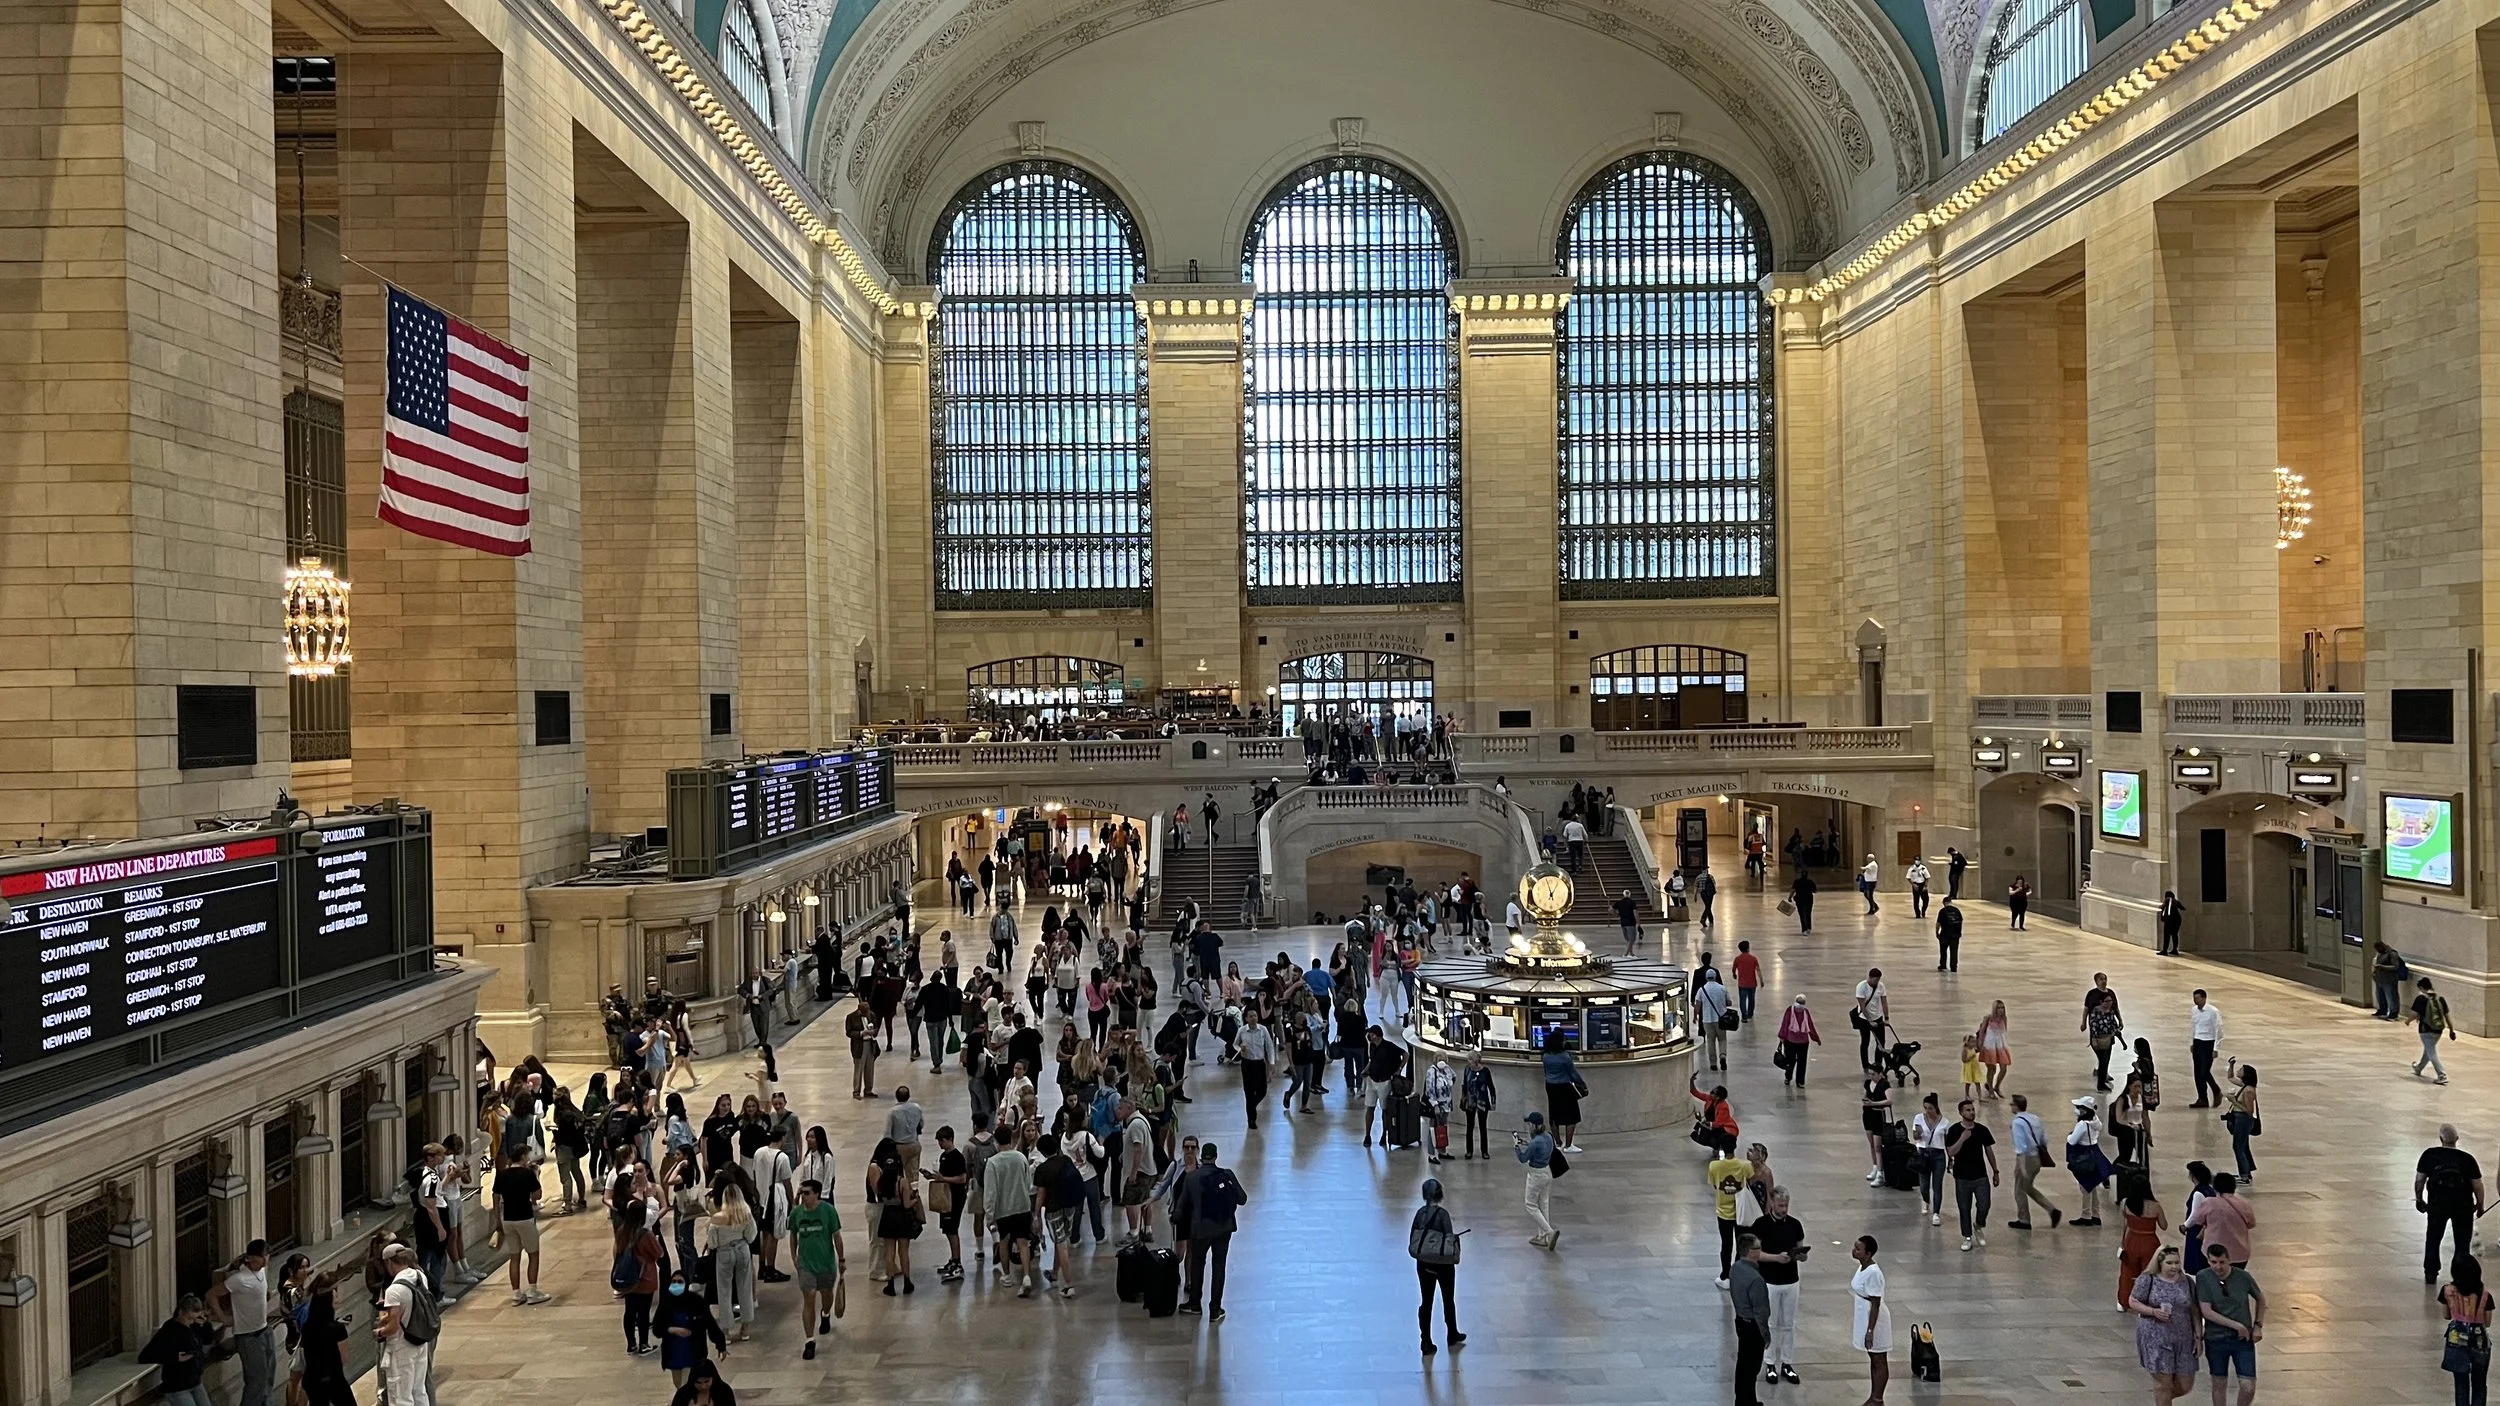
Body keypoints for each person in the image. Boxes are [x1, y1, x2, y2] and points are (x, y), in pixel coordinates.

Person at [1175, 1141, 1247, 1319]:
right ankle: (1215, 1309)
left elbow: (1181, 1207)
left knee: (1197, 1264)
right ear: (1215, 1157)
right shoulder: (1227, 1174)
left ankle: (1194, 1304)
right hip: (1224, 1227)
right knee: (1219, 1266)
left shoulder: (1191, 1178)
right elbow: (1242, 1198)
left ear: (1201, 1157)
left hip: (1200, 1229)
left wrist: (1175, 1218)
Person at [2127, 1245, 2202, 1406]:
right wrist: (2153, 1311)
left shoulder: (2187, 1282)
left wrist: (2198, 1337)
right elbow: (2133, 1301)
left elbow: (2195, 1310)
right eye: (2169, 1263)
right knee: (2163, 1384)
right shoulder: (2148, 1279)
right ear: (2160, 1263)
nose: (2174, 1267)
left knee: (2185, 1385)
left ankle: (2162, 1400)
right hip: (2156, 1337)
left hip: (2183, 1338)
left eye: (2176, 1262)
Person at [2193, 1243, 2264, 1406]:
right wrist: (2236, 1325)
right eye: (2213, 1262)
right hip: (2216, 1338)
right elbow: (2206, 1311)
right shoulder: (2204, 1277)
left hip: (2242, 1340)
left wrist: (2258, 1324)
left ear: (2229, 1260)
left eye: (2222, 1262)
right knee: (2219, 1382)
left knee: (2248, 1386)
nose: (2218, 1267)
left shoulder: (2243, 1277)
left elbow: (2260, 1298)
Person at [1749, 1188, 1807, 1384]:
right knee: (1771, 1323)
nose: (1783, 1209)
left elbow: (1800, 1247)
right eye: (1780, 1205)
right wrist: (1776, 1258)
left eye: (1786, 1206)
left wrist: (1801, 1255)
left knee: (1789, 1324)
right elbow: (1755, 1254)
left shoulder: (1795, 1225)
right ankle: (1770, 1363)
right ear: (1772, 1203)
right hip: (1770, 1281)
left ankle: (1788, 1363)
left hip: (1791, 1280)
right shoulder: (1761, 1225)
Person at [210, 1240, 276, 1406]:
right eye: (263, 1256)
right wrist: (223, 1317)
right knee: (256, 1381)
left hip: (264, 1330)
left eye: (267, 1256)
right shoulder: (239, 1279)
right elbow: (211, 1294)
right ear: (252, 1258)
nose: (267, 1260)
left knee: (268, 1376)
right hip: (248, 1337)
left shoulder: (260, 1273)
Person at [2420, 1125, 2489, 1283]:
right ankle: (2461, 1274)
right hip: (2463, 1207)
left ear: (2440, 1139)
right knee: (2462, 1243)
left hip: (2437, 1206)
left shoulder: (2430, 1155)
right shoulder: (2467, 1159)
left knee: (2433, 1238)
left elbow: (2420, 1180)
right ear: (2457, 1140)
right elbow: (2477, 1185)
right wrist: (2480, 1205)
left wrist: (2419, 1199)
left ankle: (2431, 1272)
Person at [787, 1179, 845, 1361]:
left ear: (817, 1194)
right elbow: (793, 1236)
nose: (803, 1196)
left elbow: (836, 1236)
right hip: (806, 1265)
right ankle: (809, 1340)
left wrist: (841, 1259)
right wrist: (794, 1257)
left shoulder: (828, 1212)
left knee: (827, 1295)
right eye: (801, 1193)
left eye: (807, 1193)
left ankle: (825, 1313)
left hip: (826, 1264)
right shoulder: (796, 1213)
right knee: (809, 1297)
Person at [981, 1115, 1038, 1296]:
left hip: (1003, 1210)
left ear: (996, 1141)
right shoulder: (1021, 1157)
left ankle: (1007, 1275)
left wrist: (989, 1216)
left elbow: (990, 1192)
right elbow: (1028, 1183)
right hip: (1022, 1206)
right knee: (1023, 1243)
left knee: (1004, 1243)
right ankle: (1027, 1275)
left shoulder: (993, 1163)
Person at [1409, 1178, 1466, 1353]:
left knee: (1426, 1301)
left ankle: (1425, 1340)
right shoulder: (1443, 1215)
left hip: (1424, 1263)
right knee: (1448, 1299)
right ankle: (1452, 1334)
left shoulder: (1419, 1214)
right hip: (1443, 1265)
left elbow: (1413, 1237)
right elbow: (1448, 1240)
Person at [374, 1244, 435, 1406]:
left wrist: (379, 1332)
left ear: (389, 1263)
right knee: (419, 1391)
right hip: (420, 1341)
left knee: (401, 1396)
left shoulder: (394, 1290)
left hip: (401, 1346)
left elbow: (393, 1327)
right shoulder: (420, 1276)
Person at [654, 1265, 728, 1387]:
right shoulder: (666, 1302)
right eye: (673, 1282)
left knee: (687, 1385)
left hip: (693, 1351)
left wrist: (721, 1344)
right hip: (673, 1352)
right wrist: (672, 1330)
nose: (676, 1284)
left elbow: (710, 1323)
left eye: (680, 1282)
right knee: (679, 1385)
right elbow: (657, 1328)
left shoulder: (697, 1302)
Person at [138, 1294, 218, 1406]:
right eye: (189, 1318)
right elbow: (146, 1355)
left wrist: (205, 1324)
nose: (191, 1322)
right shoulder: (170, 1329)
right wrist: (176, 1357)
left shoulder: (194, 1326)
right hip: (177, 1386)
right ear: (181, 1312)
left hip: (195, 1382)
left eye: (194, 1318)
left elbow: (208, 1340)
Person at [493, 1150, 549, 1304]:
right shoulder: (528, 1174)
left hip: (508, 1219)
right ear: (523, 1157)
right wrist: (535, 1175)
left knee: (514, 1257)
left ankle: (516, 1293)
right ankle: (532, 1291)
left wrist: (497, 1219)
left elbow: (496, 1197)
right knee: (533, 1254)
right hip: (524, 1217)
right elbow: (537, 1196)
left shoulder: (502, 1174)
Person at [1947, 1098, 1999, 1251]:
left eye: (1972, 1110)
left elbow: (1989, 1150)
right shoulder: (1954, 1130)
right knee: (1964, 1207)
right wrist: (1962, 1139)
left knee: (1984, 1204)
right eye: (1968, 1110)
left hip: (1980, 1174)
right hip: (1962, 1176)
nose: (1971, 1112)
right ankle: (1967, 1236)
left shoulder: (1982, 1130)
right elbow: (1951, 1152)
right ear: (1961, 1113)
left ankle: (1979, 1224)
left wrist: (1995, 1171)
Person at [2005, 1093, 2063, 1230]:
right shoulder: (2034, 1118)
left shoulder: (2017, 1122)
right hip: (2036, 1157)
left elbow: (2021, 1147)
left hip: (2026, 1159)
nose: (2010, 1106)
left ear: (2016, 1106)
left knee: (2019, 1190)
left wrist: (2022, 1167)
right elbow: (2044, 1139)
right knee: (2028, 1188)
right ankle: (2052, 1210)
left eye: (2012, 1104)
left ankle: (2024, 1220)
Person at [2445, 1254, 2494, 1406]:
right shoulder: (2485, 1295)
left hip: (2456, 1342)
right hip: (2479, 1343)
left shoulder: (2447, 1291)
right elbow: (2487, 1322)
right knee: (2479, 1384)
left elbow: (2447, 1315)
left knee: (2460, 1383)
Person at [2117, 1168, 2169, 1313]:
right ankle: (2148, 1302)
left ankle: (2123, 1301)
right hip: (2149, 1241)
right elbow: (2164, 1226)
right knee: (2150, 1272)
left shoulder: (2125, 1203)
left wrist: (2123, 1243)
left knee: (2127, 1272)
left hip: (2132, 1239)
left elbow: (2125, 1224)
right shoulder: (2155, 1206)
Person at [1850, 1236, 1893, 1405]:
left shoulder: (1874, 1273)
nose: (1854, 1251)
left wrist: (1870, 1331)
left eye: (1858, 1249)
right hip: (1864, 1316)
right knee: (1873, 1358)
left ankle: (1878, 1397)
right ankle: (1874, 1394)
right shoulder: (1862, 1267)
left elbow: (1875, 1304)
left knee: (1879, 1359)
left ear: (1868, 1254)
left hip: (1875, 1320)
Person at [1730, 1233, 1771, 1406]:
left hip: (1740, 1321)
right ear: (1750, 1252)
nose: (1761, 1251)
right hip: (1752, 1326)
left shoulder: (1736, 1268)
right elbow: (1761, 1311)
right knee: (1752, 1368)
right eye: (1758, 1248)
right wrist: (1765, 1334)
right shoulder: (1756, 1279)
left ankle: (1744, 1400)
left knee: (1742, 1365)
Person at [2185, 1172, 2255, 1271]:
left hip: (2214, 1253)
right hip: (2240, 1253)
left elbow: (2198, 1220)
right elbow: (2251, 1223)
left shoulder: (2209, 1203)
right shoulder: (2245, 1204)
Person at [1707, 1145, 1753, 1286]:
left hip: (1723, 1212)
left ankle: (1725, 1275)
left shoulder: (1714, 1166)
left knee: (1726, 1245)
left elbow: (1715, 1185)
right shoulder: (1745, 1166)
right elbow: (1750, 1181)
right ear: (1735, 1147)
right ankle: (1739, 1273)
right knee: (1742, 1245)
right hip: (1741, 1212)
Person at [1517, 1111, 1560, 1248]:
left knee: (1530, 1205)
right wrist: (1527, 1142)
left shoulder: (1535, 1142)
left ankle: (1549, 1232)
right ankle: (1542, 1237)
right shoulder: (1548, 1137)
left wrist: (1516, 1146)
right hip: (1547, 1172)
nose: (1528, 1126)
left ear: (1534, 1126)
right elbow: (1538, 1146)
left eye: (1529, 1124)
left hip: (1536, 1175)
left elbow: (1523, 1159)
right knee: (1544, 1204)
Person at [1910, 1093, 1951, 1227]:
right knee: (1924, 1185)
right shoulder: (1919, 1118)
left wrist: (1951, 1158)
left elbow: (1947, 1142)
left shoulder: (1944, 1123)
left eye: (1930, 1108)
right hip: (1923, 1154)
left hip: (1938, 1155)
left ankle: (1936, 1212)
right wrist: (1918, 1133)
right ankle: (1925, 1200)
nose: (1928, 1111)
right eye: (1926, 1108)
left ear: (1936, 1108)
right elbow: (1915, 1137)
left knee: (1937, 1185)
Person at [1542, 1038, 1586, 1153]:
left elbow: (1545, 1072)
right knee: (1572, 1116)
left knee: (1554, 1115)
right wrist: (1582, 1083)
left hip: (1550, 1086)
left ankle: (1558, 1143)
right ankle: (1568, 1145)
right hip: (1564, 1086)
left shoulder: (1545, 1056)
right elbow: (1572, 1073)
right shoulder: (1565, 1057)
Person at [2412, 976, 2459, 1084]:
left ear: (2421, 987)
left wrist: (2408, 1021)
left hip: (2425, 1030)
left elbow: (2414, 1014)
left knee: (2431, 1052)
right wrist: (2451, 1030)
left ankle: (2442, 1075)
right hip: (2438, 1030)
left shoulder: (2421, 998)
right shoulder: (2440, 999)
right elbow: (2447, 1017)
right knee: (2429, 1050)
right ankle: (2418, 1068)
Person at [1233, 1012, 1275, 1130]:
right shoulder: (1242, 1031)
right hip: (1247, 1064)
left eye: (1255, 1016)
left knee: (1262, 1090)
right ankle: (1251, 1119)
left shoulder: (1263, 1030)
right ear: (1246, 1018)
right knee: (1249, 1092)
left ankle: (1252, 1106)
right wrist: (1240, 1049)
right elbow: (1235, 1044)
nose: (1253, 1018)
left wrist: (1271, 1063)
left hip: (1259, 1063)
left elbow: (1269, 1046)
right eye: (1250, 1016)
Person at [2083, 973, 2125, 1091]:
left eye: (2105, 978)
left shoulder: (2111, 994)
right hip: (2098, 1034)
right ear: (2096, 981)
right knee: (2103, 1057)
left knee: (2106, 1056)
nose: (2104, 981)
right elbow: (2086, 1009)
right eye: (2101, 979)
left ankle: (2102, 1073)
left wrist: (2119, 1021)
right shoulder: (2092, 995)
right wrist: (2083, 1023)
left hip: (2109, 1033)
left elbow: (2115, 1009)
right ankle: (2102, 1077)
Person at [2222, 1065, 2259, 1184]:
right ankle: (2247, 1171)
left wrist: (2234, 1102)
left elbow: (2249, 1110)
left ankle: (2244, 1175)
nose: (2238, 1071)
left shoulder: (2248, 1090)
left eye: (2241, 1070)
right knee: (2243, 1146)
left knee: (2238, 1146)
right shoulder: (2245, 1086)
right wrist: (2231, 1065)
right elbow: (2230, 1077)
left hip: (2243, 1119)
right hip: (2240, 1119)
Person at [2188, 990, 2225, 1108]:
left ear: (2204, 998)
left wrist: (2216, 1048)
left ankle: (2216, 1090)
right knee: (2197, 1072)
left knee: (2204, 1071)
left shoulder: (2213, 1012)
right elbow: (2193, 1026)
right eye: (2194, 998)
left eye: (2198, 998)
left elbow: (2218, 1029)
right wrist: (2192, 1042)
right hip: (2198, 1041)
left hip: (2209, 1042)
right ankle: (2202, 1098)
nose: (2196, 1001)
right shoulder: (2194, 1010)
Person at [1776, 996, 1820, 1087]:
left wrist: (1782, 1036)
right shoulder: (1805, 1012)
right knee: (1802, 1062)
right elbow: (1810, 1026)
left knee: (1790, 1060)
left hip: (1790, 1041)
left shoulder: (1790, 1010)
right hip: (1802, 1042)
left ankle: (1788, 1078)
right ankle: (1800, 1081)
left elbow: (1785, 1023)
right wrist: (1816, 1038)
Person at [1460, 1051, 1497, 1159]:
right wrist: (1464, 1099)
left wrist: (1493, 1102)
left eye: (1470, 1060)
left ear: (1475, 1061)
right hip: (1470, 1102)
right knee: (1469, 1127)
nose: (1468, 1062)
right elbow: (1464, 1085)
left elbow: (1491, 1087)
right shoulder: (1467, 1069)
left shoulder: (1485, 1071)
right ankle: (1469, 1151)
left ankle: (1484, 1151)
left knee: (1483, 1127)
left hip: (1482, 1102)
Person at [1860, 1070, 1895, 1185]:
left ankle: (1880, 1171)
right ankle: (1875, 1166)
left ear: (1880, 1074)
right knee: (1871, 1143)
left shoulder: (1884, 1084)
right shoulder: (1867, 1083)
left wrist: (1873, 1103)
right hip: (1868, 1115)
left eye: (1874, 1074)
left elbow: (1889, 1100)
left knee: (1877, 1145)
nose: (1871, 1076)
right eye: (1870, 1074)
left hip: (1878, 1116)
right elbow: (1865, 1095)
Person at [1695, 968, 1733, 1072]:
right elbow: (1729, 1002)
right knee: (1722, 1039)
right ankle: (1723, 1056)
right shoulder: (1722, 988)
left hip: (1707, 1019)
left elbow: (1697, 1005)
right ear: (1715, 977)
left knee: (1710, 1040)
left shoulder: (1701, 990)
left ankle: (1713, 1064)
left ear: (1706, 978)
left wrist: (1695, 1016)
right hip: (1720, 1020)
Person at [1853, 969, 1888, 1071]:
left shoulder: (1881, 986)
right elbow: (1862, 1006)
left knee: (1881, 1042)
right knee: (1865, 1041)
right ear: (1870, 978)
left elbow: (1884, 1002)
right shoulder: (1861, 987)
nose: (1876, 982)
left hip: (1877, 1017)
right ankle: (1865, 1065)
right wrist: (1870, 1021)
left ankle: (1878, 1064)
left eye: (1878, 980)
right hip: (1864, 1018)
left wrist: (1886, 1017)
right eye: (1875, 980)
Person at [1975, 999, 2012, 1097]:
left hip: (2000, 1045)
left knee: (2004, 1068)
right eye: (1998, 1008)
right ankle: (1990, 1089)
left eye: (2002, 1008)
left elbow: (2004, 1031)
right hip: (1989, 1045)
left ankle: (1997, 1086)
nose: (2001, 1010)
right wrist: (1980, 1044)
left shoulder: (2004, 1019)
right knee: (1991, 1069)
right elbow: (1982, 1031)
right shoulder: (1988, 1018)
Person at [668, 1358, 737, 1406]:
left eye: (706, 1381)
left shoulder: (724, 1391)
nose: (703, 1386)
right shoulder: (683, 1394)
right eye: (698, 1383)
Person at [1934, 899, 1962, 971]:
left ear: (1945, 903)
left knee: (1943, 950)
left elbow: (1938, 923)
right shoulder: (1957, 910)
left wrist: (1937, 932)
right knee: (1954, 950)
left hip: (1945, 934)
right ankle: (1953, 966)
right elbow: (1960, 921)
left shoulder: (1942, 911)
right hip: (1955, 934)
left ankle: (1943, 965)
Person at [1614, 888, 1642, 953]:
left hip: (1623, 923)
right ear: (1629, 895)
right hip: (1631, 923)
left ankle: (1631, 953)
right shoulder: (1632, 902)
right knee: (1632, 939)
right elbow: (1635, 912)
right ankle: (1626, 954)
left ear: (1623, 895)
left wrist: (1616, 914)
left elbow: (1610, 909)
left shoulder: (1619, 902)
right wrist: (1638, 922)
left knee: (1628, 939)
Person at [2158, 890, 2186, 956]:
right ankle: (2175, 950)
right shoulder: (2176, 901)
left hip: (2169, 920)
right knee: (2174, 934)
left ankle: (2165, 950)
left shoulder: (2167, 899)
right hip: (2177, 920)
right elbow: (2183, 908)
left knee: (2166, 935)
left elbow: (2162, 906)